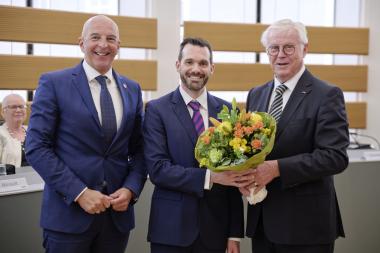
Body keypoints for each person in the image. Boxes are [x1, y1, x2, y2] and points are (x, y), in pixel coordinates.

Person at [25, 15, 146, 253]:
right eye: (95, 37)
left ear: (118, 46)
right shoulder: (54, 83)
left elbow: (140, 149)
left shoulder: (132, 89)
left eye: (111, 39)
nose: (103, 44)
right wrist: (79, 193)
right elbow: (36, 147)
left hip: (116, 220)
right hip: (67, 218)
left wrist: (131, 188)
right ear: (81, 43)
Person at [240, 19, 349, 253]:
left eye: (289, 47)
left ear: (305, 49)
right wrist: (244, 177)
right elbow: (250, 150)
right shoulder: (255, 95)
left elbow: (335, 157)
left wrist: (277, 168)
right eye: (274, 48)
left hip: (306, 227)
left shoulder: (327, 94)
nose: (281, 55)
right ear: (266, 52)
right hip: (262, 223)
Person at [143, 37, 254, 253]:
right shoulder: (157, 110)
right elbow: (158, 170)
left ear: (212, 68)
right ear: (178, 65)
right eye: (189, 62)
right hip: (171, 231)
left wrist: (234, 234)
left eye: (203, 63)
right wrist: (210, 178)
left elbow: (233, 177)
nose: (196, 69)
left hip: (217, 231)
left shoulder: (228, 112)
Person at [0, 94, 29, 167]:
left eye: (21, 106)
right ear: (3, 112)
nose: (18, 110)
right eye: (13, 107)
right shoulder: (1, 134)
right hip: (12, 178)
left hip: (37, 176)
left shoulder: (33, 131)